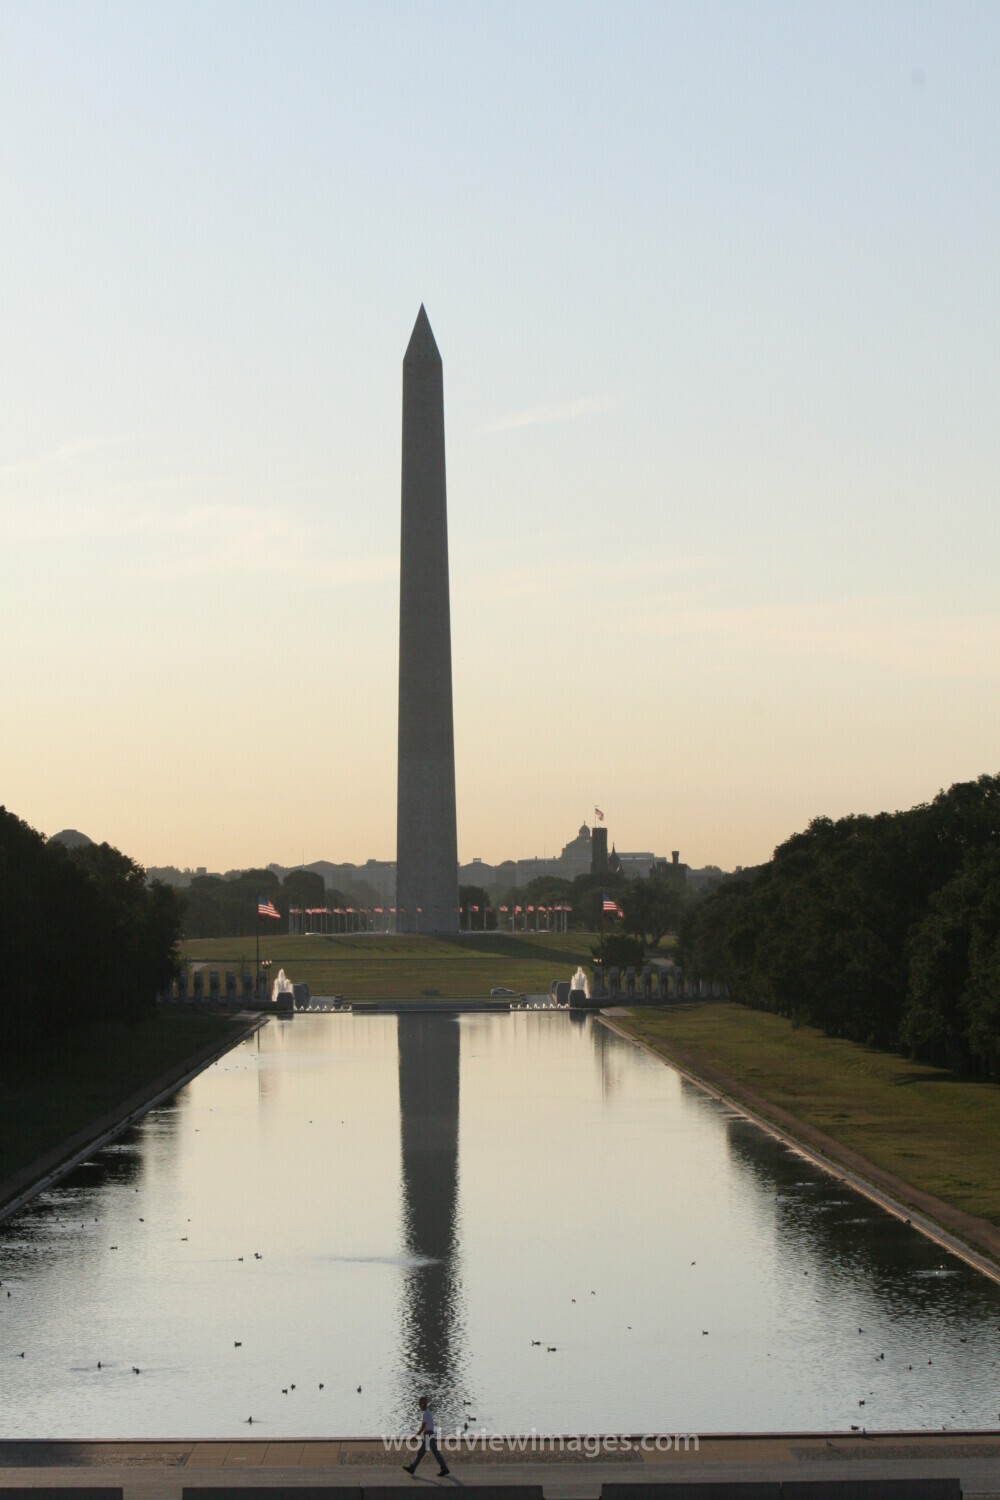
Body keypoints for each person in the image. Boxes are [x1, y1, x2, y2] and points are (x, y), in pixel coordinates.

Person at [403, 1393, 449, 1477]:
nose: (419, 1405)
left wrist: (416, 1436)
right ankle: (444, 1468)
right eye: (419, 1404)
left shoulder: (425, 1414)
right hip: (429, 1434)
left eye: (420, 1404)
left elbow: (423, 1427)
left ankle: (413, 1468)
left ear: (423, 1404)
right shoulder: (427, 1412)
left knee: (425, 1453)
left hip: (428, 1435)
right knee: (428, 1452)